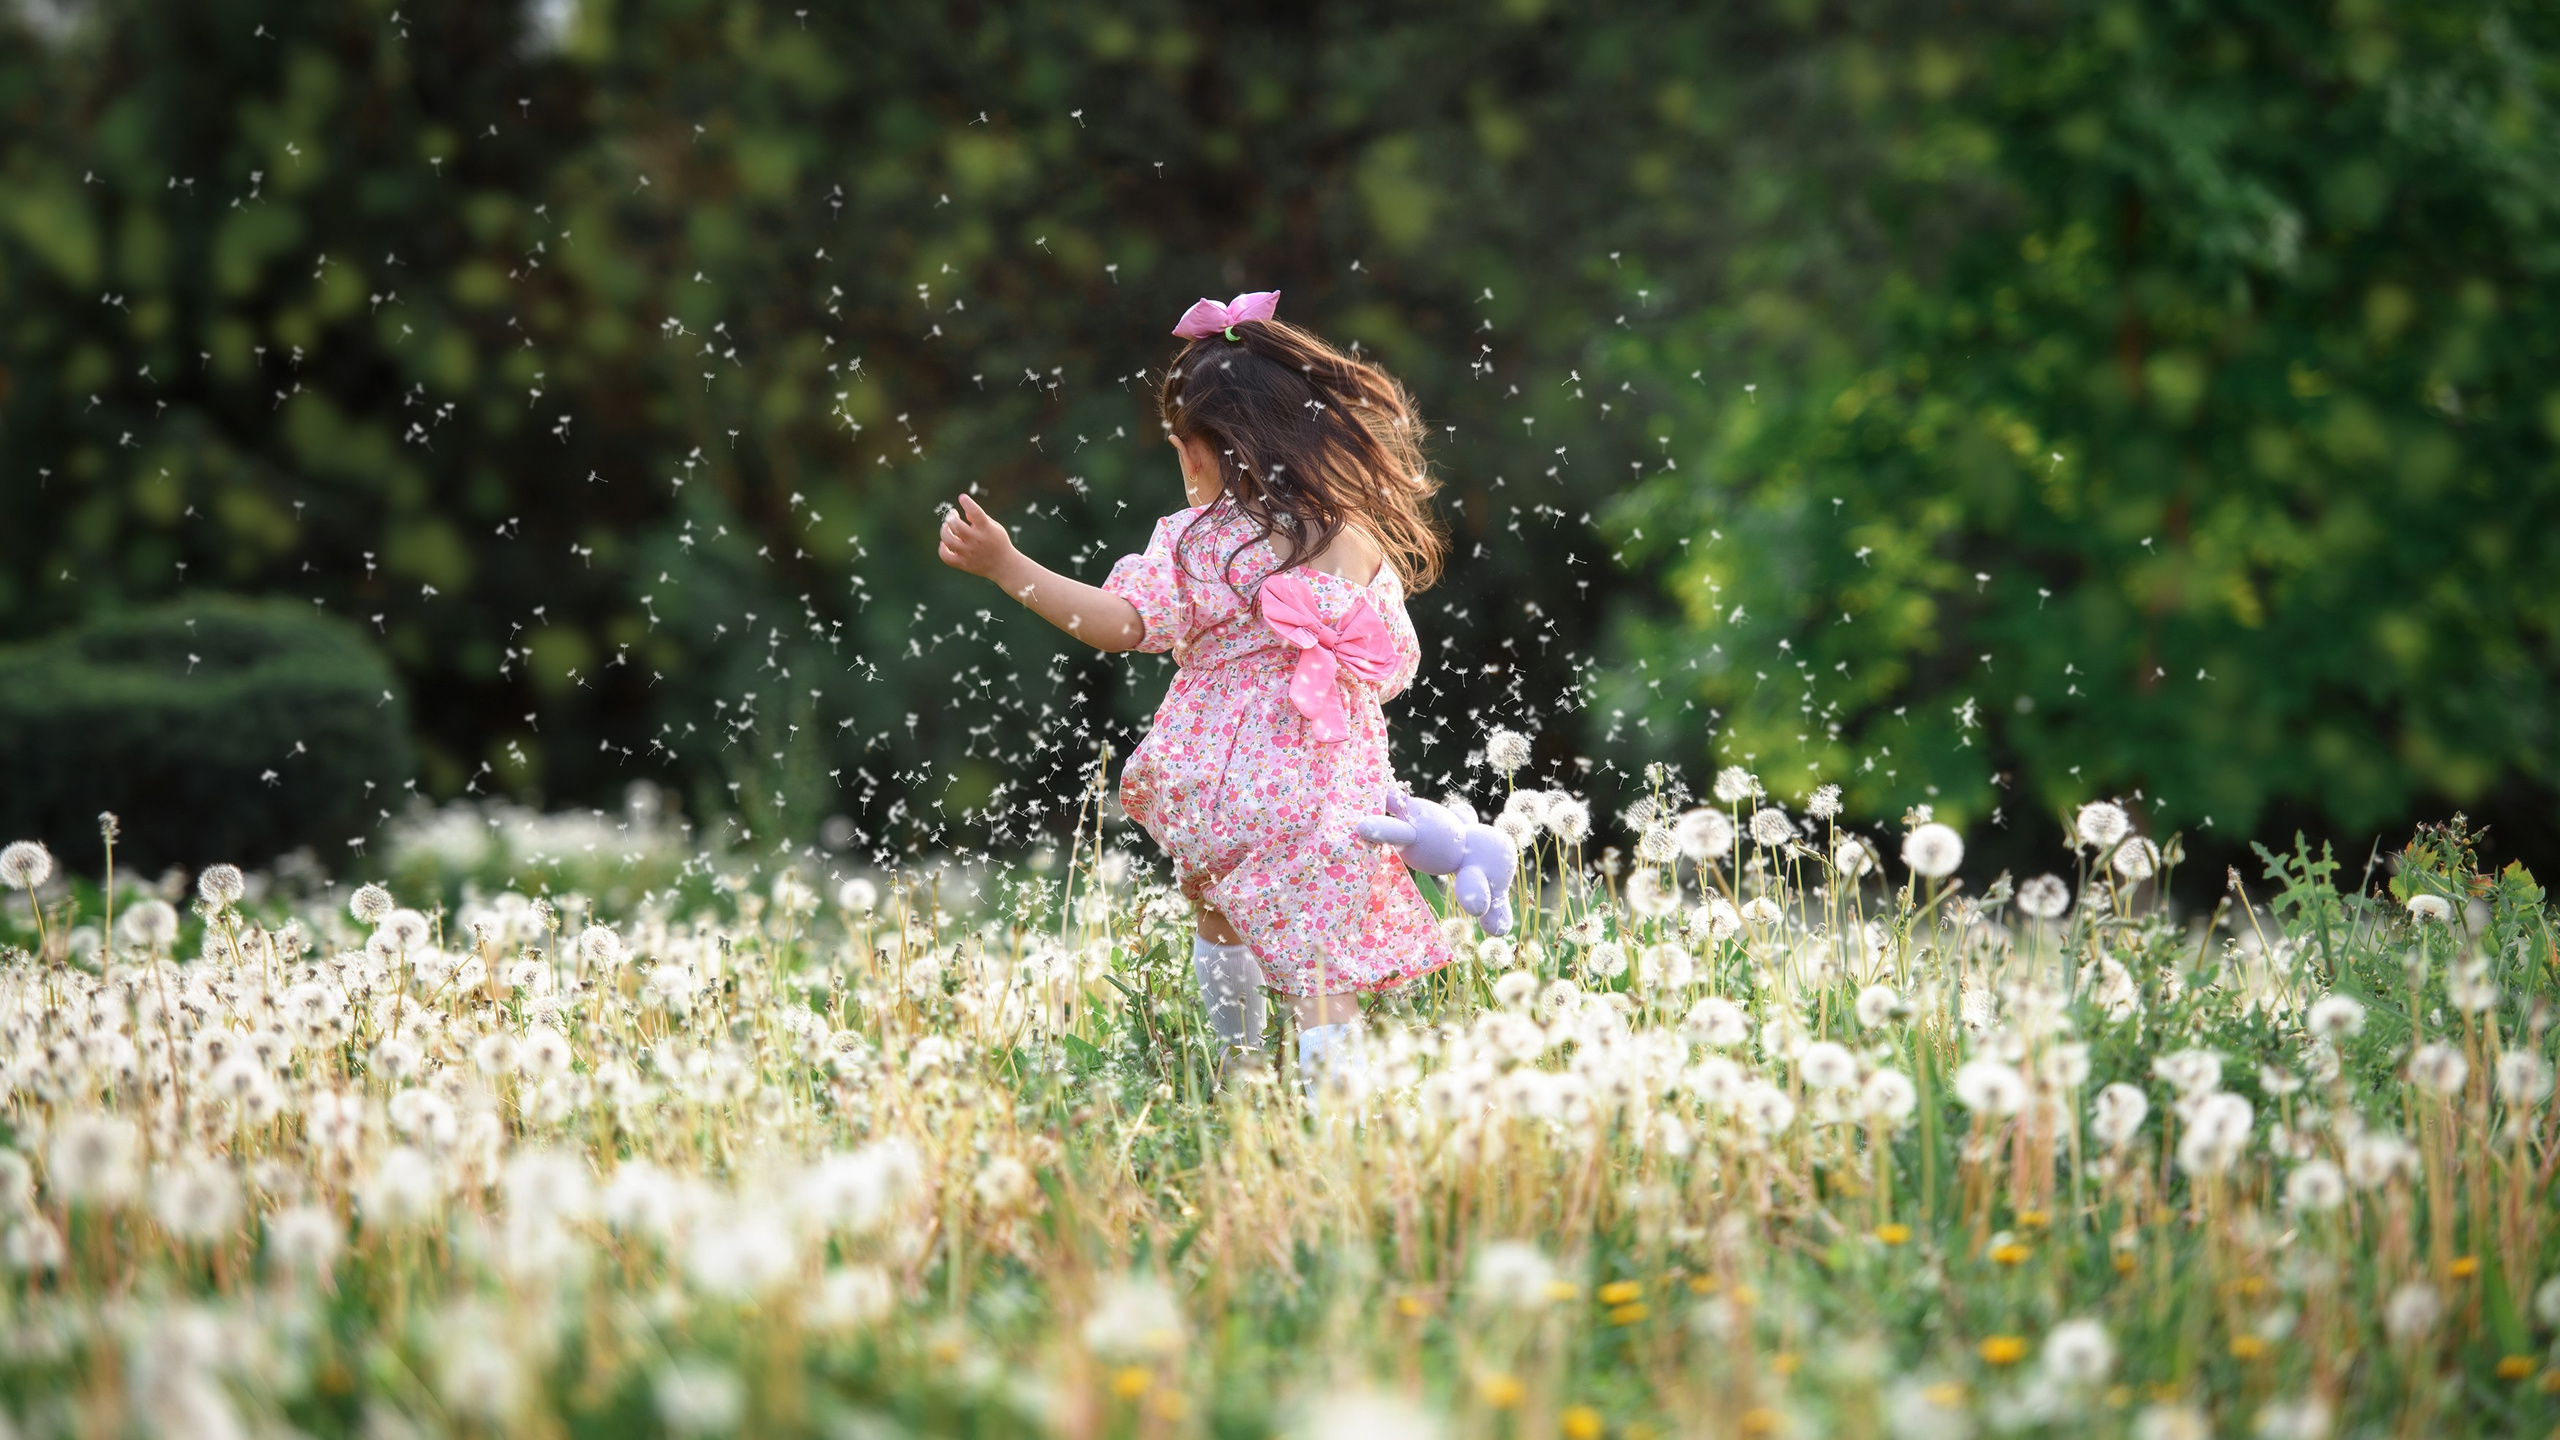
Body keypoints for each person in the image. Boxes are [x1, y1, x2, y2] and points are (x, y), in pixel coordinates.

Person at [935, 290, 1457, 1099]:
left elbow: (1114, 622)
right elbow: (1389, 667)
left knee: (1220, 912)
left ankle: (1239, 1073)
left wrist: (1011, 567)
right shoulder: (1350, 538)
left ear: (1205, 450)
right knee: (1321, 969)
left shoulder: (1196, 542)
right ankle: (1341, 1131)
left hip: (1220, 786)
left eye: (1184, 444)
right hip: (1324, 785)